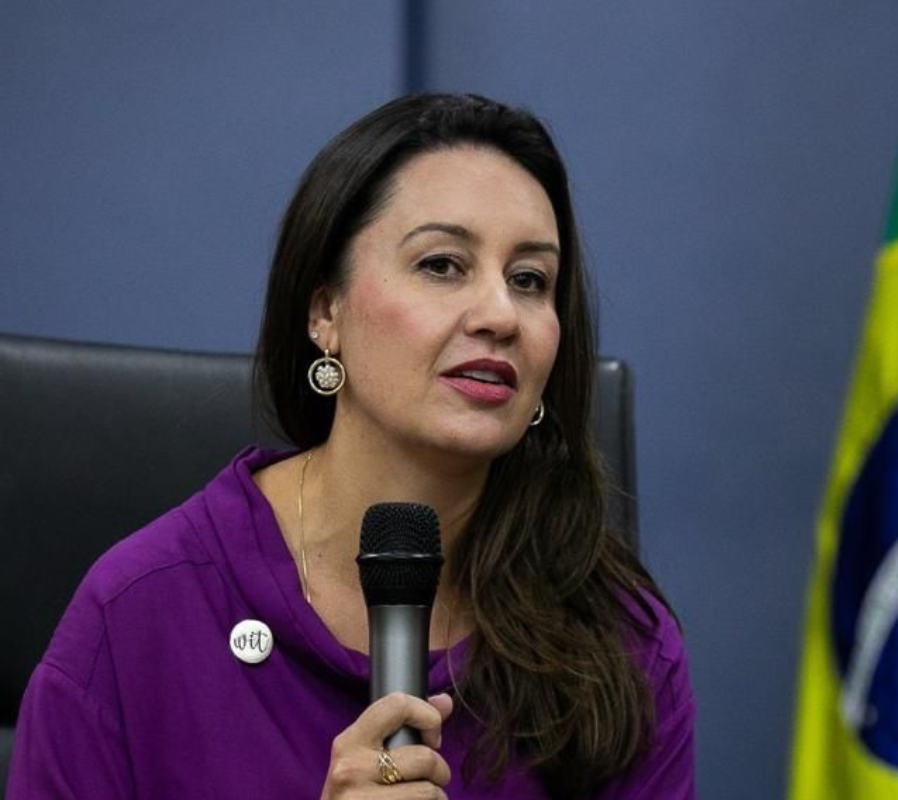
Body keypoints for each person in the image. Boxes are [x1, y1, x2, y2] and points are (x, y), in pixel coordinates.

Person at [7, 93, 695, 799]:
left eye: (529, 280)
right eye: (442, 265)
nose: (499, 314)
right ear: (325, 312)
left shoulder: (619, 643)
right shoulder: (139, 613)